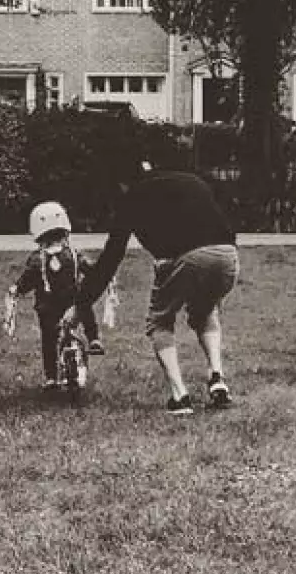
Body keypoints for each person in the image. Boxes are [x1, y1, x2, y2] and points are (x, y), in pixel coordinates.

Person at [78, 164, 238, 415]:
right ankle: (217, 377)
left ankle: (180, 397)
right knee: (205, 310)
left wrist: (83, 301)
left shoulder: (132, 197)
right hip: (228, 255)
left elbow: (112, 257)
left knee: (160, 322)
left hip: (188, 257)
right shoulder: (189, 179)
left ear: (121, 184)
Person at [8, 201, 104, 390]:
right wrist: (100, 274)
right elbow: (90, 270)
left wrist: (16, 290)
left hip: (48, 307)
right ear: (65, 229)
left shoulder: (37, 259)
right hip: (72, 303)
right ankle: (93, 338)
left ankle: (51, 378)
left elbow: (27, 280)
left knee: (49, 340)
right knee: (85, 307)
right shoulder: (74, 254)